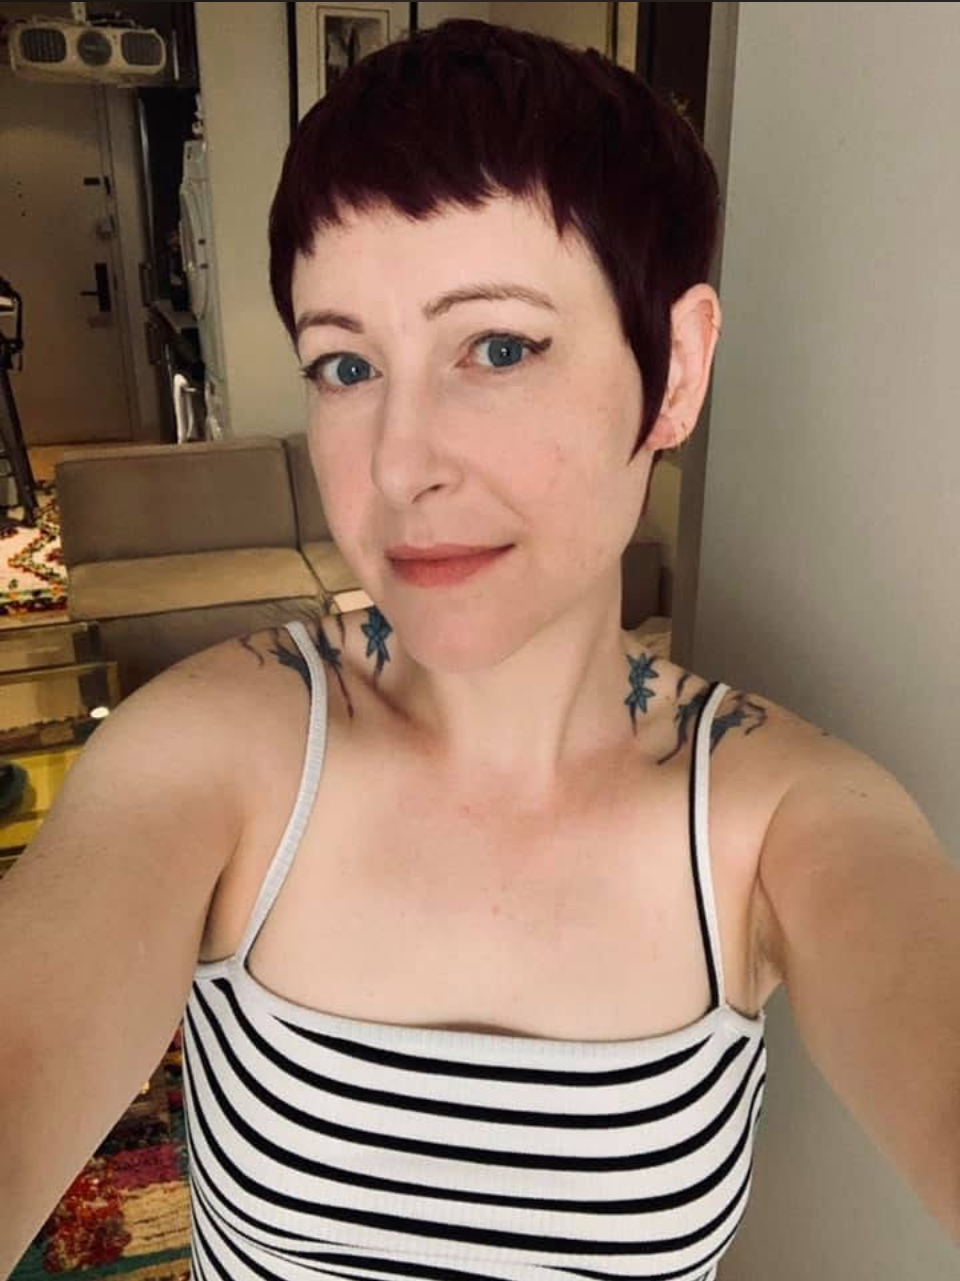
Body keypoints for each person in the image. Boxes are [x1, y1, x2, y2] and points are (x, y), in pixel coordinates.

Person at [1, 17, 958, 1280]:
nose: (401, 464)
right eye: (345, 364)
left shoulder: (780, 815)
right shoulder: (220, 749)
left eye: (498, 348)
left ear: (675, 370)